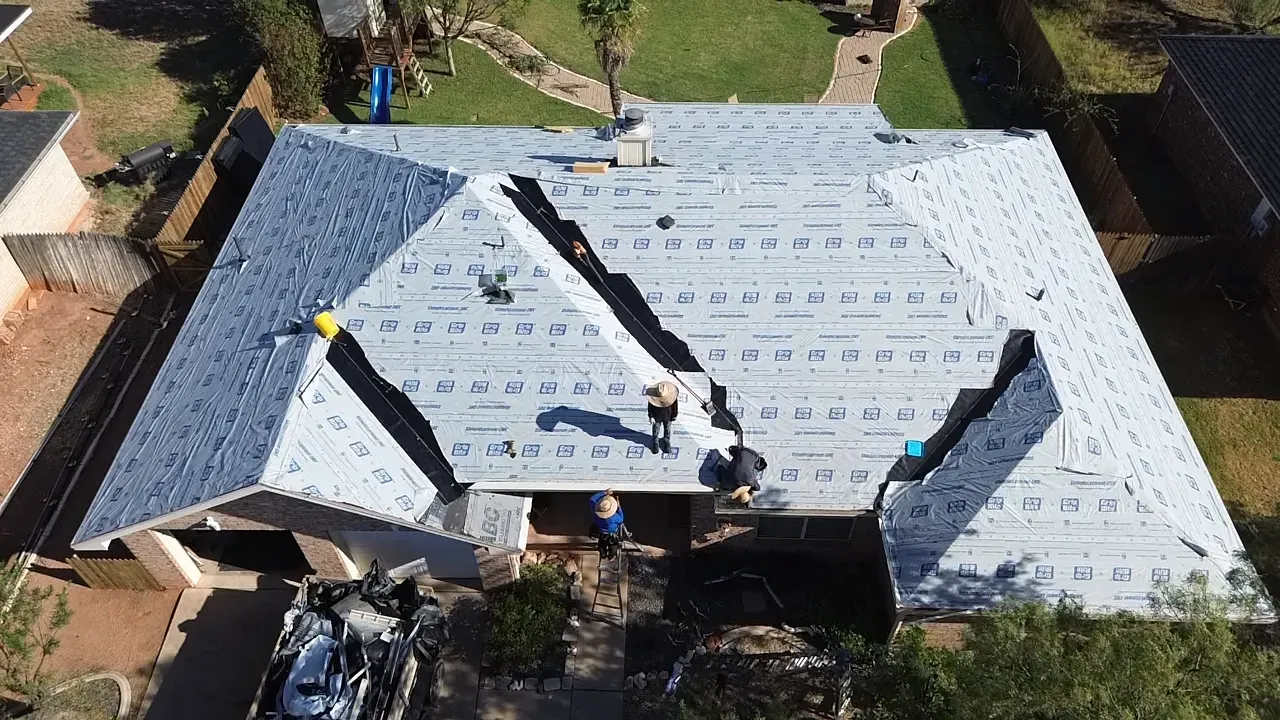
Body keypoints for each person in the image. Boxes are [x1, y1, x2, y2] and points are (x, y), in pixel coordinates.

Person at [646, 380, 679, 454]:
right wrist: (651, 416)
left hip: (668, 415)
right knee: (655, 431)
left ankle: (667, 442)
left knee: (667, 430)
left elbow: (675, 405)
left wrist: (674, 415)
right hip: (656, 416)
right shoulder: (652, 396)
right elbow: (650, 406)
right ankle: (655, 444)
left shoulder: (672, 395)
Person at [590, 489, 625, 558]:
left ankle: (603, 555)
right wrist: (619, 507)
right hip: (612, 535)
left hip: (602, 534)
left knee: (602, 546)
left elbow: (592, 500)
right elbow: (621, 519)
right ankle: (611, 556)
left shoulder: (596, 515)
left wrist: (604, 493)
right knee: (613, 547)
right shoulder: (614, 517)